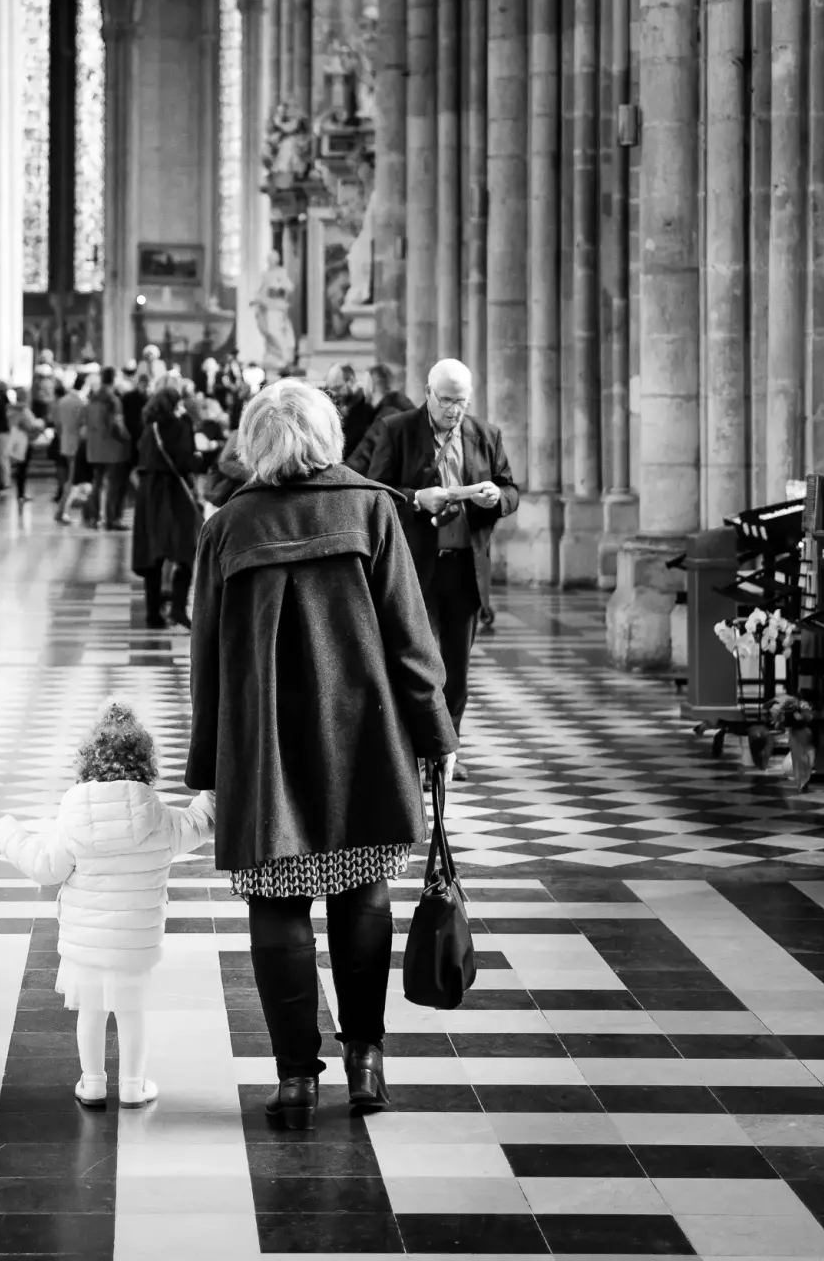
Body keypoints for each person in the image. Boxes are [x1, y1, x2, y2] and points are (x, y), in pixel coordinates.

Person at [186, 378, 457, 1132]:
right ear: (327, 435)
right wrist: (435, 735)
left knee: (276, 904)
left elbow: (204, 659)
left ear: (255, 442)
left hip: (263, 748)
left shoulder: (229, 527)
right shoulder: (372, 507)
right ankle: (366, 1063)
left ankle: (296, 1079)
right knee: (362, 894)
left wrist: (207, 769)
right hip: (363, 739)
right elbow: (411, 638)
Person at [0, 699, 215, 1110]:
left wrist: (8, 832)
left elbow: (45, 866)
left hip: (87, 944)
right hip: (136, 945)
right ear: (146, 763)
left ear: (88, 761)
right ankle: (134, 1086)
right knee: (133, 1014)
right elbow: (200, 822)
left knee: (91, 1013)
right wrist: (221, 779)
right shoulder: (160, 818)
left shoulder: (73, 814)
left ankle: (92, 1083)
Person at [361, 357, 518, 748]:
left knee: (457, 668)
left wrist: (497, 497)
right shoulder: (396, 431)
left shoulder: (486, 435)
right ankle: (412, 750)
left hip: (465, 568)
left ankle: (447, 751)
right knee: (417, 662)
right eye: (446, 400)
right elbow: (374, 496)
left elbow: (511, 490)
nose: (453, 410)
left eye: (461, 402)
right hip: (414, 568)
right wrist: (416, 499)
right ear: (428, 393)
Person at [131, 380, 201, 629]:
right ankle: (179, 609)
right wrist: (199, 458)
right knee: (185, 548)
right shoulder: (180, 425)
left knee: (154, 553)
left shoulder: (150, 427)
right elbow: (184, 460)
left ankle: (153, 613)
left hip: (149, 492)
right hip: (172, 491)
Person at [344, 363, 417, 474]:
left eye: (364, 383)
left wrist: (343, 475)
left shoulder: (387, 415)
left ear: (370, 385)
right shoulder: (404, 407)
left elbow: (362, 457)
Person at [85, 367, 132, 530]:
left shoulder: (92, 398)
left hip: (94, 447)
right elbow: (117, 425)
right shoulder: (112, 400)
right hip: (112, 448)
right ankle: (112, 519)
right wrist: (128, 439)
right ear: (114, 379)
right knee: (114, 485)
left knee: (97, 482)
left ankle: (93, 516)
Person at [53, 378, 88, 520]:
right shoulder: (81, 402)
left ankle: (63, 509)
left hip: (65, 441)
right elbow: (84, 425)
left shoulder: (62, 401)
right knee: (73, 479)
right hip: (76, 443)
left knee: (73, 477)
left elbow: (57, 425)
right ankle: (62, 511)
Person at [6, 399, 43, 503]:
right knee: (22, 469)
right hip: (23, 443)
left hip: (20, 443)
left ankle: (21, 493)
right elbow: (29, 426)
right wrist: (39, 425)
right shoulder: (22, 412)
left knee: (21, 469)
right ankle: (20, 494)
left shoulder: (12, 412)